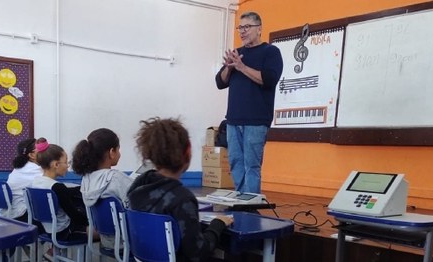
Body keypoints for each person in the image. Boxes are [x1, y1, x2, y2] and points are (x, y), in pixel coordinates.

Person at [128, 117, 233, 262]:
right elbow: (197, 253)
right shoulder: (182, 198)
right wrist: (218, 225)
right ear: (188, 151)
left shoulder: (136, 188)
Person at [214, 11, 283, 194]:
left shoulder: (271, 52)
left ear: (259, 29)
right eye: (240, 28)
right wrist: (229, 68)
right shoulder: (238, 54)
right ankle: (240, 203)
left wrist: (241, 67)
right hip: (233, 119)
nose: (242, 31)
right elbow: (220, 82)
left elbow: (269, 79)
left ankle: (250, 206)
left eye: (246, 27)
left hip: (256, 120)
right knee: (236, 164)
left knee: (251, 165)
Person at [72, 128, 133, 257]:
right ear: (112, 152)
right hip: (128, 242)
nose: (119, 153)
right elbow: (137, 204)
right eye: (118, 149)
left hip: (106, 240)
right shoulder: (116, 178)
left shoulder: (86, 179)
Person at [31, 138, 93, 241]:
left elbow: (64, 194)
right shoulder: (57, 187)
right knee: (103, 232)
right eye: (66, 162)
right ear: (56, 164)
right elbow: (75, 217)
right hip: (64, 231)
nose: (68, 166)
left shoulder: (35, 183)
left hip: (47, 229)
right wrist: (91, 222)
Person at [6, 138, 43, 222]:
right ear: (32, 155)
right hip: (23, 216)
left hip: (11, 214)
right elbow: (50, 185)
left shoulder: (19, 168)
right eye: (41, 149)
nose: (46, 152)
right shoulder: (35, 170)